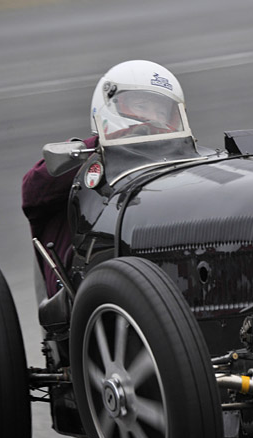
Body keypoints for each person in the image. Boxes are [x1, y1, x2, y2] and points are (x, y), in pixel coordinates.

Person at [22, 60, 189, 297]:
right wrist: (100, 147)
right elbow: (32, 192)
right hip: (84, 285)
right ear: (110, 105)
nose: (152, 117)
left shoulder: (181, 159)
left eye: (161, 111)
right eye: (141, 106)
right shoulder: (83, 157)